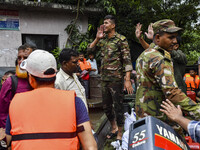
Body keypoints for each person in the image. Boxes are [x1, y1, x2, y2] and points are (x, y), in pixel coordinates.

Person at [5, 50, 97, 150]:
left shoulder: (16, 103)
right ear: (54, 76)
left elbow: (9, 142)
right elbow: (90, 146)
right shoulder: (75, 102)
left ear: (31, 79)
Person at [135, 19, 200, 131]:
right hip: (161, 120)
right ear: (158, 38)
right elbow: (172, 93)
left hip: (144, 117)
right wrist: (197, 111)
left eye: (175, 37)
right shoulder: (160, 59)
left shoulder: (145, 54)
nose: (175, 41)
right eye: (171, 37)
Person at [88, 15, 133, 141]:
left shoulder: (120, 40)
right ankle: (113, 127)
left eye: (107, 23)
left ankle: (120, 131)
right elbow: (89, 50)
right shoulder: (102, 40)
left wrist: (127, 79)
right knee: (106, 106)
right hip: (104, 79)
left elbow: (127, 60)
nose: (104, 25)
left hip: (116, 79)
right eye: (104, 22)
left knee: (118, 106)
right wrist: (97, 38)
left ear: (113, 25)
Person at [135, 22, 187, 94]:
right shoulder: (160, 53)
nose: (173, 41)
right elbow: (152, 50)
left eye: (173, 39)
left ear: (176, 46)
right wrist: (142, 39)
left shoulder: (180, 55)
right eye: (171, 38)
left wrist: (155, 41)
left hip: (178, 92)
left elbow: (159, 50)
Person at [0, 45, 34, 129]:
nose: (21, 61)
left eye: (25, 58)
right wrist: (9, 137)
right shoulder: (10, 82)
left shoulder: (41, 80)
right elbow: (3, 113)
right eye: (19, 58)